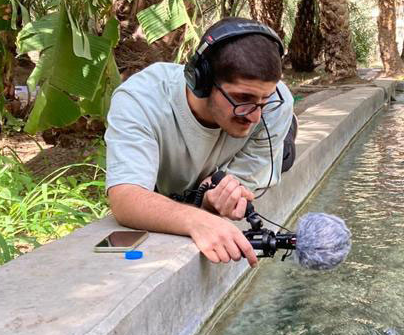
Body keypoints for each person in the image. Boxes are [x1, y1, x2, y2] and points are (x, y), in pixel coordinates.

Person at [104, 18, 296, 267]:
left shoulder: (274, 107)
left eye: (264, 99)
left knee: (284, 156)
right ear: (201, 81)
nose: (255, 116)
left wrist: (216, 198)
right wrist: (197, 219)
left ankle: (286, 135)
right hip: (190, 176)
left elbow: (234, 190)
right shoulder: (140, 100)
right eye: (242, 98)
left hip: (266, 149)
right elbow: (125, 198)